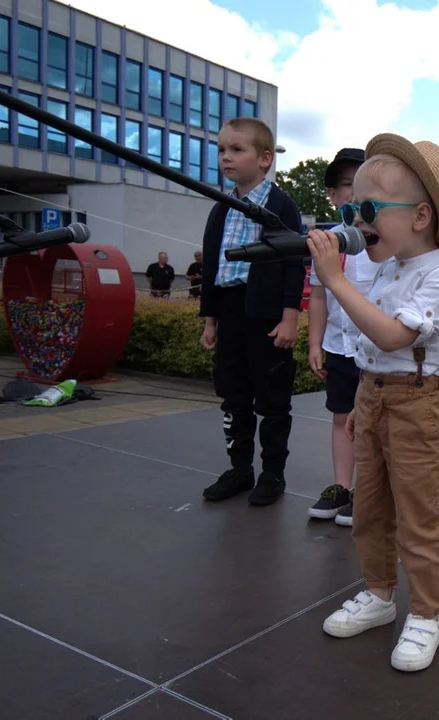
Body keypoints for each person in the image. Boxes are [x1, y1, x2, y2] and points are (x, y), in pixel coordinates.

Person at [306, 133, 439, 673]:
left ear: (421, 216)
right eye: (351, 206)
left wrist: (333, 278)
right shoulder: (387, 269)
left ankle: (426, 614)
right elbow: (377, 352)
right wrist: (363, 398)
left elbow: (397, 337)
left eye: (369, 208)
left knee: (417, 515)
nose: (355, 218)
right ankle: (380, 596)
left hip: (419, 403)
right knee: (370, 509)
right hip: (373, 396)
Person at [197, 117, 305, 507]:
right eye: (222, 149)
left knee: (273, 396)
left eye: (236, 150)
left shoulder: (280, 206)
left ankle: (273, 473)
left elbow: (295, 262)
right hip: (229, 312)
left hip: (266, 314)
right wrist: (210, 320)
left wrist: (289, 315)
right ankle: (240, 468)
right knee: (234, 394)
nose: (226, 157)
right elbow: (213, 266)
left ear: (263, 159)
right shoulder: (221, 209)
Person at [307, 148, 382, 526]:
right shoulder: (327, 241)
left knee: (370, 421)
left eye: (361, 186)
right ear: (333, 195)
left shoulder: (383, 240)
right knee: (341, 417)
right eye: (345, 186)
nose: (352, 194)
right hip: (340, 345)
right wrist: (314, 343)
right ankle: (342, 487)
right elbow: (318, 296)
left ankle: (370, 491)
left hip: (378, 351)